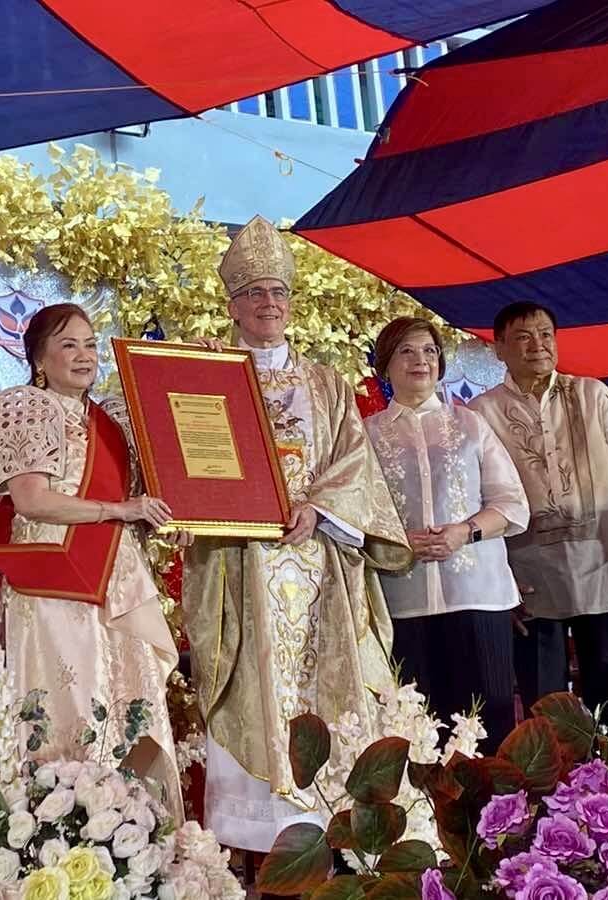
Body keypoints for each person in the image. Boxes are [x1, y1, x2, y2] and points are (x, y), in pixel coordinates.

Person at [184, 216, 410, 853]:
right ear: (232, 305)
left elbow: (354, 461)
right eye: (253, 292)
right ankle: (253, 835)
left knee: (327, 684)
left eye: (277, 293)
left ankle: (331, 816)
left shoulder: (326, 383)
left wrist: (316, 506)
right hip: (240, 560)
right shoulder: (205, 375)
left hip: (315, 563)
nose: (267, 304)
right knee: (246, 680)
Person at [0, 303, 185, 821]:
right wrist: (118, 509)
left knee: (130, 698)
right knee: (70, 700)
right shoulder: (22, 406)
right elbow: (31, 500)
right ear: (39, 358)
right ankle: (65, 830)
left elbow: (173, 413)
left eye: (91, 344)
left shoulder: (111, 416)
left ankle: (137, 832)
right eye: (68, 344)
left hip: (116, 571)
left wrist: (195, 364)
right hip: (54, 578)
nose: (84, 355)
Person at [469, 301, 608, 716]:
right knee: (546, 717)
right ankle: (557, 785)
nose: (538, 345)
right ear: (498, 348)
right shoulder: (483, 412)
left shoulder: (592, 394)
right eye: (523, 336)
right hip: (532, 581)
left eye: (546, 334)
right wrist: (502, 581)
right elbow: (480, 497)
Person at [365, 317, 529, 752]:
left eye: (430, 351)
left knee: (488, 722)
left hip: (478, 596)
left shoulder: (470, 425)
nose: (421, 360)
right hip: (403, 603)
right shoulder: (367, 436)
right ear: (385, 365)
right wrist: (397, 539)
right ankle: (429, 821)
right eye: (407, 351)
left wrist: (464, 532)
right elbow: (355, 517)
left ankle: (497, 817)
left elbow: (512, 505)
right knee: (417, 729)